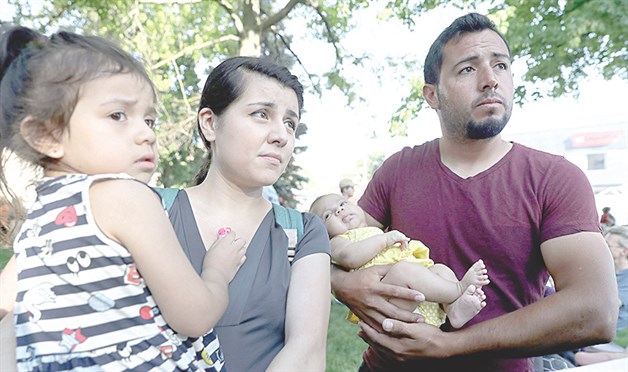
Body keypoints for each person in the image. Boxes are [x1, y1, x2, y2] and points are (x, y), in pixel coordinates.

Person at [330, 12, 618, 371]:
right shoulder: (397, 169)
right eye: (468, 69)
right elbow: (337, 246)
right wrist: (341, 283)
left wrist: (449, 345)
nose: (490, 80)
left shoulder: (555, 178)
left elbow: (596, 310)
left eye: (500, 65)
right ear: (432, 95)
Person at [0, 26, 246, 370]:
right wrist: (217, 270)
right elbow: (195, 316)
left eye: (149, 119)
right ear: (46, 135)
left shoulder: (39, 219)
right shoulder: (124, 195)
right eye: (118, 115)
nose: (146, 134)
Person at [164, 56, 331, 371]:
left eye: (290, 123)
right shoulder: (149, 209)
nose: (281, 135)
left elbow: (307, 350)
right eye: (261, 114)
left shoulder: (304, 231)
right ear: (210, 123)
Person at [310, 193, 489, 329]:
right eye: (328, 215)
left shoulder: (375, 231)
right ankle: (458, 289)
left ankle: (453, 310)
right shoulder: (337, 241)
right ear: (322, 231)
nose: (339, 210)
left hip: (417, 297)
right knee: (403, 270)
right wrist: (385, 240)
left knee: (440, 269)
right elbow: (350, 257)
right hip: (386, 301)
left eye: (342, 203)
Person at [572, 225, 628, 366]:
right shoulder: (609, 273)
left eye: (608, 245)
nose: (603, 248)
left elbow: (606, 305)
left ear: (624, 251)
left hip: (612, 341)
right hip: (591, 334)